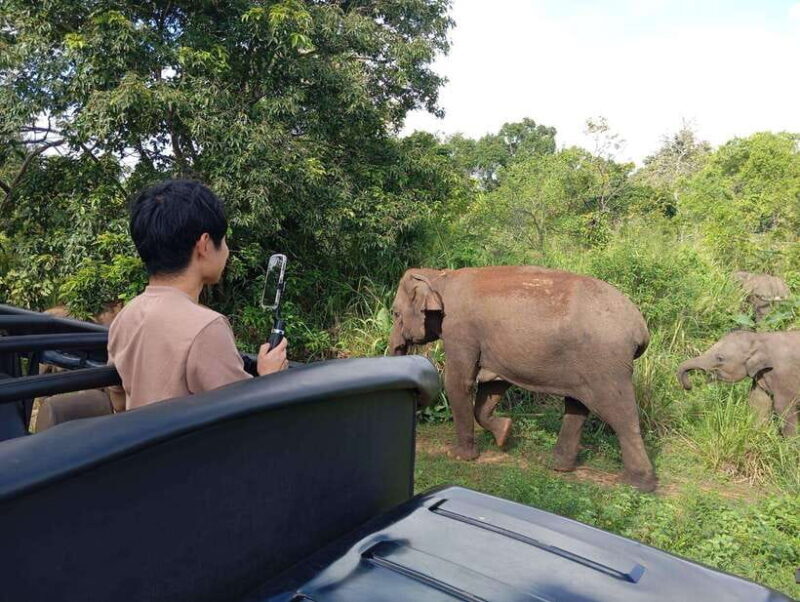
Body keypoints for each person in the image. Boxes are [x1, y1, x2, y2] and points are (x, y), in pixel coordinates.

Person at [107, 179, 288, 410]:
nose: (226, 251)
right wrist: (270, 378)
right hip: (190, 448)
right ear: (203, 245)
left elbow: (118, 399)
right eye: (222, 241)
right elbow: (243, 418)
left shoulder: (126, 315)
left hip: (141, 444)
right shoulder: (206, 328)